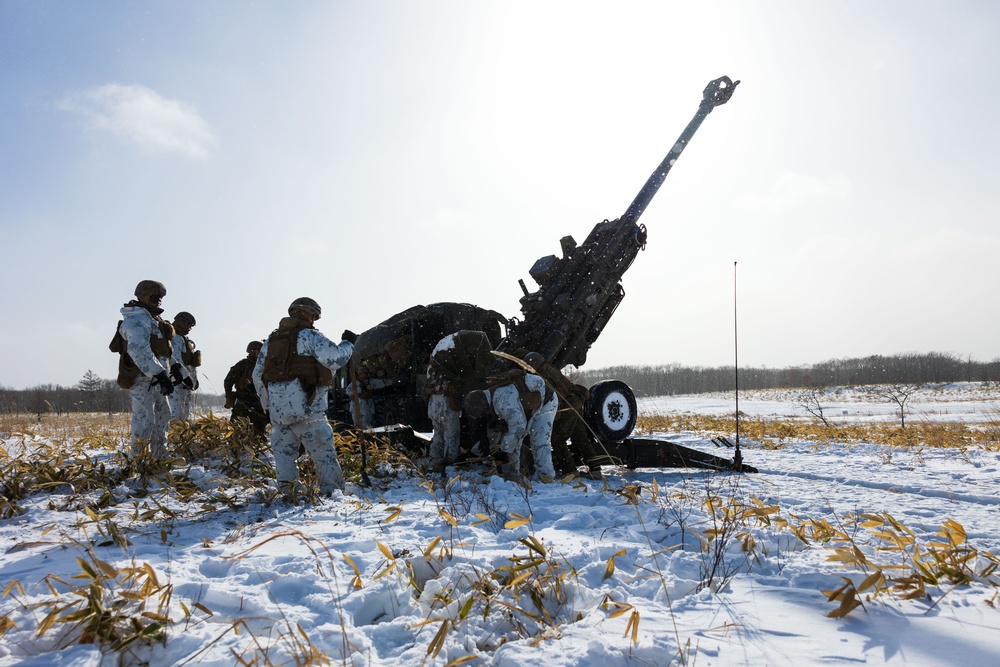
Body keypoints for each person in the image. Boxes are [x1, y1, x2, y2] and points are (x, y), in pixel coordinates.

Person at [252, 297, 356, 497]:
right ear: (307, 313)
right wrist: (348, 344)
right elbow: (335, 358)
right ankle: (331, 494)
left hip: (279, 413)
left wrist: (269, 406)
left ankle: (289, 493)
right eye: (313, 316)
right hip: (309, 408)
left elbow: (257, 376)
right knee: (323, 453)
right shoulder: (309, 336)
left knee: (284, 455)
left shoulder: (270, 342)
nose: (314, 321)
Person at [109, 280, 175, 460]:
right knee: (144, 419)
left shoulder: (152, 319)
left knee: (163, 415)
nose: (159, 301)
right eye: (155, 296)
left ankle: (160, 456)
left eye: (160, 298)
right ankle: (140, 461)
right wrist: (159, 374)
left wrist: (171, 370)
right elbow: (138, 351)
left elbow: (162, 349)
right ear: (143, 295)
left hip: (157, 378)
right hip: (142, 379)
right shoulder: (136, 320)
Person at [463, 366, 557, 483]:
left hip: (546, 402)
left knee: (539, 440)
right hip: (524, 408)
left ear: (484, 407)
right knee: (511, 439)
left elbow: (519, 429)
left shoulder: (503, 401)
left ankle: (546, 477)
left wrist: (504, 451)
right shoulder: (489, 395)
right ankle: (513, 474)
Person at [522, 351, 604, 480]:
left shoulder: (542, 376)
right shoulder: (550, 369)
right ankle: (595, 469)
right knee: (581, 438)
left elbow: (553, 396)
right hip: (576, 401)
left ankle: (570, 471)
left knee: (556, 438)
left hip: (568, 406)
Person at [422, 330, 494, 470]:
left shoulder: (433, 367)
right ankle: (450, 463)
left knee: (438, 433)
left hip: (433, 402)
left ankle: (436, 460)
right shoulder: (451, 369)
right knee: (452, 434)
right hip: (446, 402)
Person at [224, 341, 268, 438]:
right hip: (243, 402)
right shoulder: (242, 365)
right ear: (252, 352)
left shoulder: (264, 366)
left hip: (259, 403)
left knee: (259, 431)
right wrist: (229, 396)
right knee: (237, 429)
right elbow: (228, 381)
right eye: (259, 351)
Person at [168, 311, 200, 422]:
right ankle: (174, 439)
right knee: (176, 416)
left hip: (184, 384)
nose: (190, 328)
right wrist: (186, 378)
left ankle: (179, 438)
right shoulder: (175, 338)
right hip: (177, 384)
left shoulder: (182, 339)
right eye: (188, 325)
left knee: (183, 417)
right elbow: (175, 362)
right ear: (179, 323)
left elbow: (188, 363)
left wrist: (194, 379)